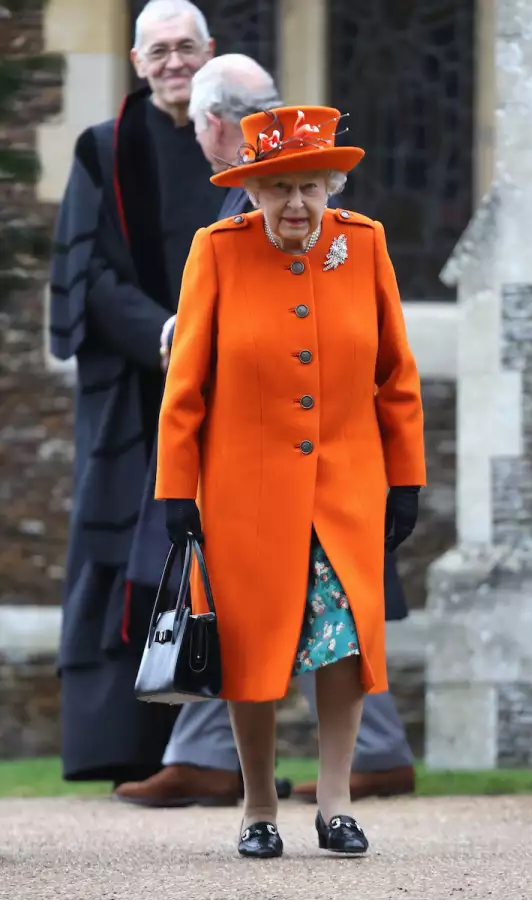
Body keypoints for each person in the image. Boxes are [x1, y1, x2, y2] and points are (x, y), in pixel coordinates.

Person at [114, 55, 419, 810]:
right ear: (252, 190)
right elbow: (184, 389)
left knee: (345, 644)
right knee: (253, 653)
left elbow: (396, 376)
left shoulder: (367, 245)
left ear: (330, 188)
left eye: (310, 187)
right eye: (280, 186)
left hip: (346, 491)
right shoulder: (217, 253)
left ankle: (338, 803)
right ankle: (257, 804)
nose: (296, 203)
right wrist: (176, 492)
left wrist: (406, 479)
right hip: (245, 496)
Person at [48, 0, 223, 785]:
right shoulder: (102, 148)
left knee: (213, 554)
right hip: (133, 389)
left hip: (225, 386)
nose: (174, 61)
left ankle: (206, 748)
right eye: (160, 50)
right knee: (118, 546)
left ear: (210, 51)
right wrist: (166, 333)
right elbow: (88, 275)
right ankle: (116, 743)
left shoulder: (239, 147)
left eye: (188, 47)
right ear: (135, 59)